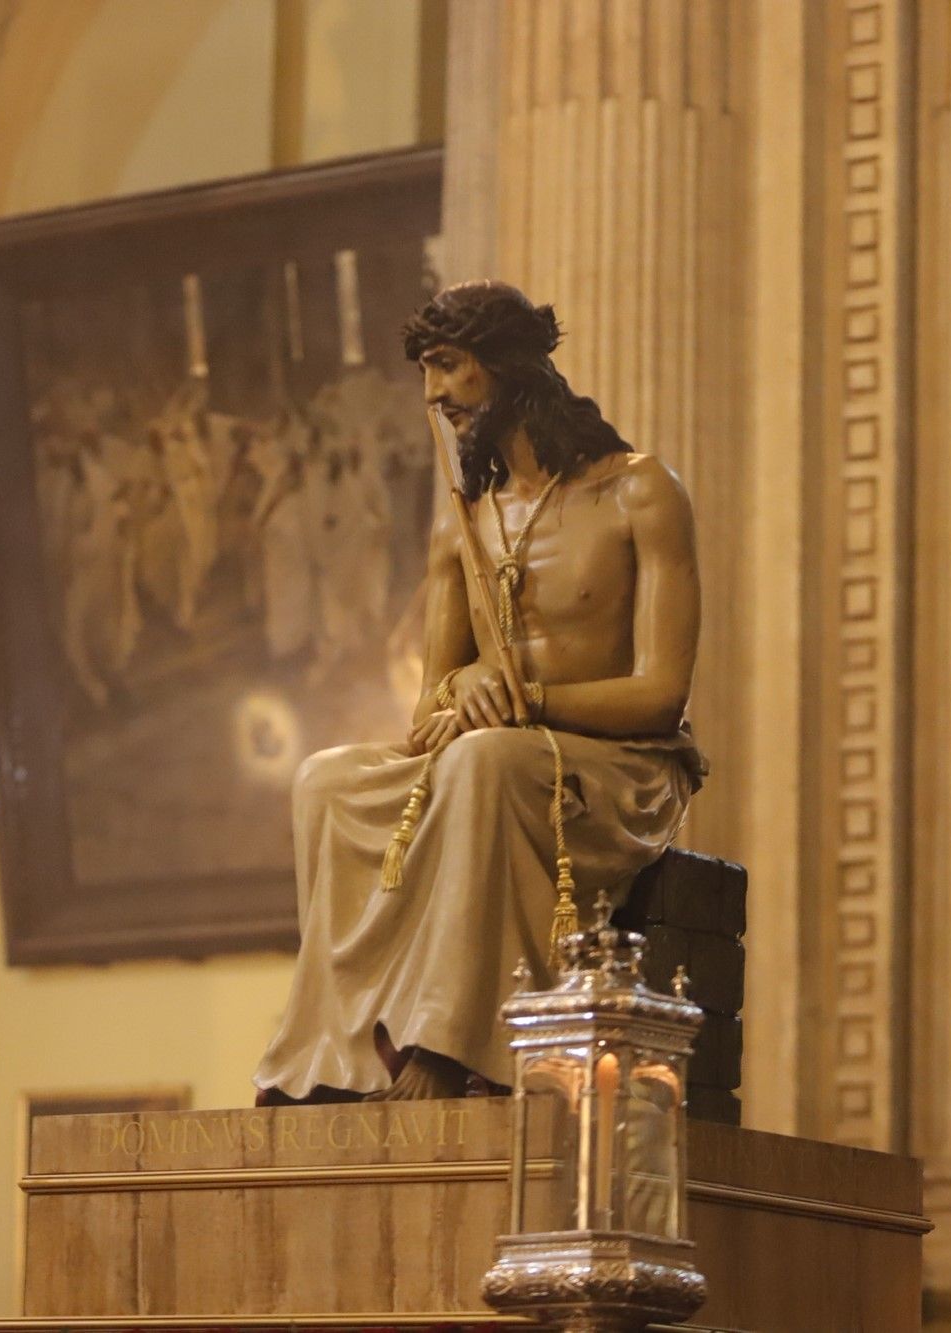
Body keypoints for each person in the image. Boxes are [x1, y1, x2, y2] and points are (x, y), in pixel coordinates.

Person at [253, 280, 703, 1103]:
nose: (434, 395)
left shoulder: (639, 492)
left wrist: (527, 699)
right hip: (500, 756)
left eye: (448, 367)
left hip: (620, 770)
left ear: (507, 363)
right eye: (426, 372)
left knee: (484, 763)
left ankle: (449, 1045)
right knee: (327, 780)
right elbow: (431, 708)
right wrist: (463, 681)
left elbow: (662, 696)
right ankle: (337, 1051)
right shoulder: (462, 522)